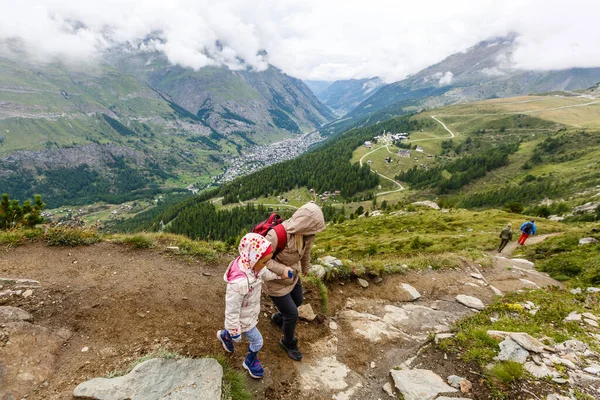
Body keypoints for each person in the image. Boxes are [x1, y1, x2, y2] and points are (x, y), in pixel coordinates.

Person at [217, 233, 292, 379]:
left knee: (235, 335)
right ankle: (250, 361)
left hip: (249, 312)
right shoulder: (239, 284)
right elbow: (231, 310)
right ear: (253, 257)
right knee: (258, 341)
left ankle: (225, 336)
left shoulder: (252, 265)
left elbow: (264, 273)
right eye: (264, 262)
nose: (265, 265)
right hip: (244, 320)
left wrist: (279, 276)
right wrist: (234, 329)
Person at [263, 202, 325, 361]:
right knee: (292, 314)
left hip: (292, 276)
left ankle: (279, 318)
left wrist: (305, 267)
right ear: (305, 224)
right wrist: (282, 270)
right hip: (275, 281)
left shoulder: (304, 235)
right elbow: (263, 260)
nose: (314, 233)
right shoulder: (276, 235)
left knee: (298, 300)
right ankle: (287, 342)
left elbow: (306, 251)